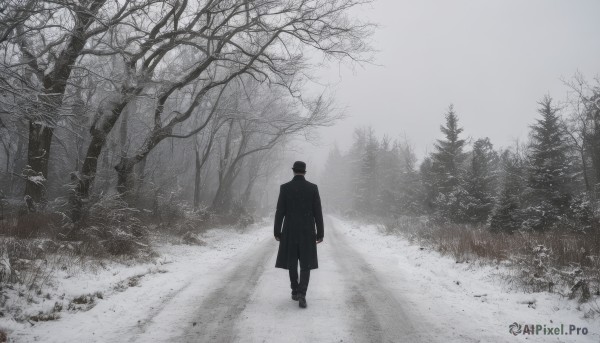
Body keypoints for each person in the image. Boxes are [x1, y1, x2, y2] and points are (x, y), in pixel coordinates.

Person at [274, 161, 324, 309]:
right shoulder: (312, 188)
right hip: (307, 231)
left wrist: (277, 231)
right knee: (305, 263)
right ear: (305, 171)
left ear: (294, 171)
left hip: (290, 230)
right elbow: (318, 213)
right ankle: (302, 293)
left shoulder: (285, 188)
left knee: (292, 261)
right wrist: (320, 233)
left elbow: (280, 212)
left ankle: (295, 290)